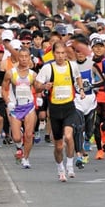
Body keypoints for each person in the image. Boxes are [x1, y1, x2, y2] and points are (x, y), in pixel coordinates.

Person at [34, 41, 85, 182]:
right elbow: (36, 86)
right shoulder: (47, 68)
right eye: (58, 53)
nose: (61, 56)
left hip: (69, 107)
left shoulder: (72, 66)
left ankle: (70, 165)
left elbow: (78, 77)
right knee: (58, 145)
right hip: (55, 110)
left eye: (63, 53)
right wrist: (44, 85)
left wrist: (80, 89)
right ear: (53, 53)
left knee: (69, 137)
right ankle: (60, 168)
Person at [2, 46, 37, 168]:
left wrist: (40, 97)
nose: (23, 59)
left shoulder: (33, 74)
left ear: (29, 58)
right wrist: (8, 101)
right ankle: (19, 145)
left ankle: (26, 159)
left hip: (28, 106)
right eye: (21, 57)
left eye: (26, 57)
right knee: (16, 137)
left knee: (29, 134)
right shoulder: (11, 73)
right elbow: (4, 89)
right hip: (15, 107)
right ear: (18, 58)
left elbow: (37, 89)